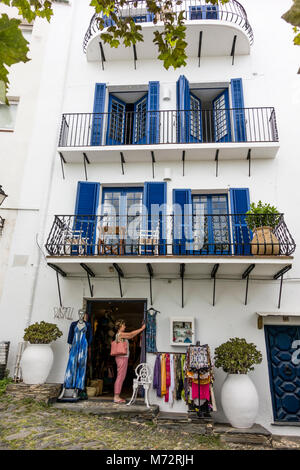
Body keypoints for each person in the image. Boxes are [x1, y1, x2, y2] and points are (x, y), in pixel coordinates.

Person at [113, 319, 146, 404]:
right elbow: (131, 335)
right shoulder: (120, 334)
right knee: (120, 377)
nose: (125, 326)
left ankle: (117, 395)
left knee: (121, 377)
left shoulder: (119, 335)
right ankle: (116, 397)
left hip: (122, 358)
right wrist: (141, 329)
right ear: (120, 326)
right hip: (122, 358)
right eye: (124, 325)